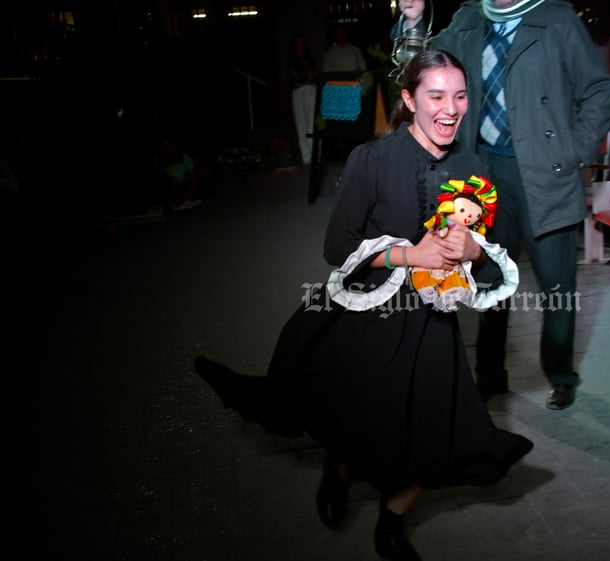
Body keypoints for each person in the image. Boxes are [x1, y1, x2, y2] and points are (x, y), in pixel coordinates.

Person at [195, 49, 533, 561]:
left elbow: (486, 259)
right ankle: (341, 469)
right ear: (408, 99)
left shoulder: (472, 165)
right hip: (368, 316)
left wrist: (473, 249)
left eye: (460, 96)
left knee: (432, 437)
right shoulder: (372, 160)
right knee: (357, 421)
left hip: (432, 328)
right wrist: (406, 252)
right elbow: (338, 248)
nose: (451, 108)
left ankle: (392, 522)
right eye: (435, 95)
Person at [432, 0, 610, 410]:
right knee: (491, 281)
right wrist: (411, 22)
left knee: (556, 286)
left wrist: (573, 149)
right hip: (483, 177)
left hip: (544, 174)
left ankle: (561, 374)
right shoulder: (467, 18)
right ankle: (490, 375)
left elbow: (600, 90)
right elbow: (421, 67)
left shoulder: (555, 18)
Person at [287, 34, 319, 165]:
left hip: (310, 90)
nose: (299, 45)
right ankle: (306, 158)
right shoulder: (291, 61)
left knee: (312, 123)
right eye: (297, 43)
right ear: (294, 46)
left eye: (302, 43)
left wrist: (306, 75)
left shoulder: (310, 60)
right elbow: (295, 78)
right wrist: (305, 75)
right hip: (298, 92)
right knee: (301, 124)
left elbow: (312, 76)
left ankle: (316, 155)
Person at [159, 136, 201, 211]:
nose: (168, 148)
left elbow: (194, 182)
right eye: (165, 146)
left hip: (186, 187)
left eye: (169, 145)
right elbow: (164, 182)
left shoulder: (184, 157)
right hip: (173, 189)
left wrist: (183, 197)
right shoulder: (162, 162)